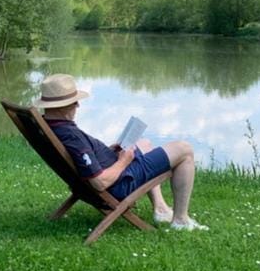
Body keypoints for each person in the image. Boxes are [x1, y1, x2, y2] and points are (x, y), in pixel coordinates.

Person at [36, 73, 208, 231]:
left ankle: (161, 208)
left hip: (104, 173)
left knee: (145, 143)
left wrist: (108, 152)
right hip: (119, 183)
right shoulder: (71, 137)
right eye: (74, 102)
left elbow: (83, 158)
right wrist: (123, 161)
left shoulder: (51, 127)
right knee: (185, 149)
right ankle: (180, 220)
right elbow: (99, 183)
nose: (78, 105)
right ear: (62, 106)